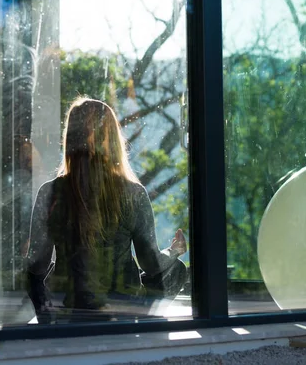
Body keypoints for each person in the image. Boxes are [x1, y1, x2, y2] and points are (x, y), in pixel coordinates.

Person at [26, 97, 188, 323]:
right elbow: (150, 265)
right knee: (177, 269)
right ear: (112, 139)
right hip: (123, 307)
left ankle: (55, 320)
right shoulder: (132, 193)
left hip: (67, 305)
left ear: (71, 139)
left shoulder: (50, 191)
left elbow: (37, 265)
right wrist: (174, 251)